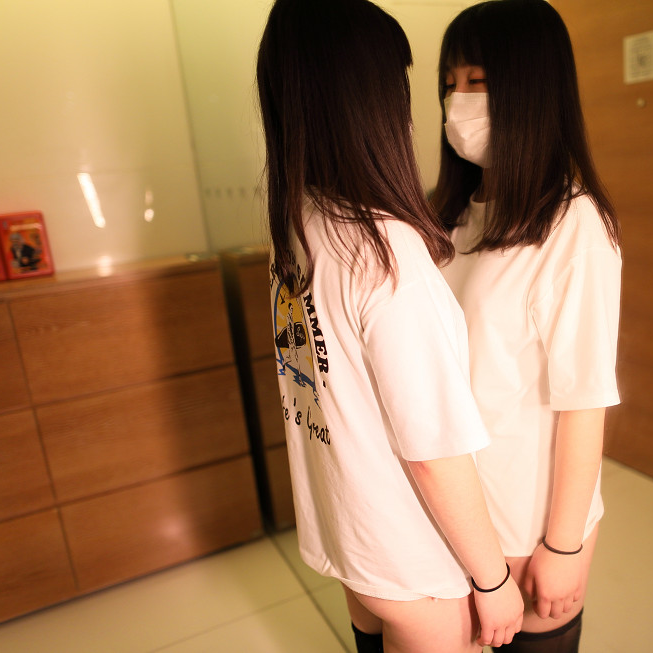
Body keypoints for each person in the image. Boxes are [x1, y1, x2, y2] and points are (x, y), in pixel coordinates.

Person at [255, 1, 524, 651]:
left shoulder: (300, 222)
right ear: (371, 100)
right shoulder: (386, 252)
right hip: (414, 562)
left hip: (353, 542)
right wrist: (493, 580)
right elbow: (432, 451)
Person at [433, 1, 622, 651]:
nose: (457, 102)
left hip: (525, 517)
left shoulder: (573, 225)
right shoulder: (446, 217)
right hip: (452, 513)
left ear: (531, 89)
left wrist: (562, 544)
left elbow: (585, 400)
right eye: (449, 84)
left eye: (478, 81)